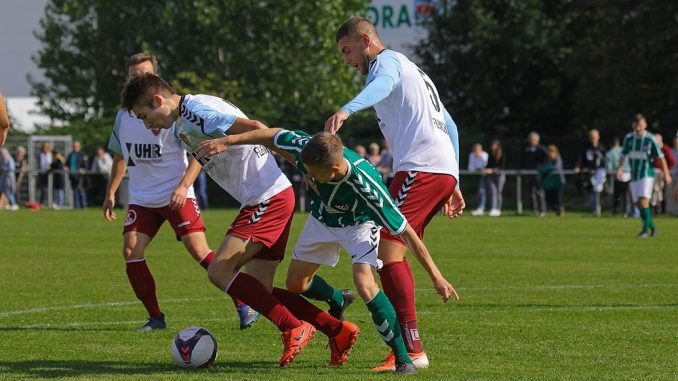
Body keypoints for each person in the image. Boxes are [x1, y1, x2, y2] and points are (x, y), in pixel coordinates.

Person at [122, 73, 362, 368]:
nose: (147, 125)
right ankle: (336, 329)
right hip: (271, 195)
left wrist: (233, 143)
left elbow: (259, 129)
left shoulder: (196, 112)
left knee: (220, 270)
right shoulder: (184, 121)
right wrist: (300, 169)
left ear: (158, 100)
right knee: (261, 288)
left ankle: (293, 327)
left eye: (145, 116)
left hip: (266, 198)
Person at [196, 128, 459, 375]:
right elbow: (274, 134)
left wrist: (437, 277)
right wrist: (228, 141)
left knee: (365, 284)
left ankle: (402, 359)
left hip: (360, 225)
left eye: (313, 174)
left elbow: (408, 233)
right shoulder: (306, 149)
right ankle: (337, 298)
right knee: (295, 284)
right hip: (322, 219)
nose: (308, 177)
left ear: (334, 169)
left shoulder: (367, 187)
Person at [324, 17, 464, 370]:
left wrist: (346, 109)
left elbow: (382, 84)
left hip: (420, 168)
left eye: (347, 50)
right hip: (439, 169)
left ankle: (411, 351)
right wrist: (455, 180)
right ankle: (408, 347)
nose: (346, 60)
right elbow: (451, 125)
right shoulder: (415, 71)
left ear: (366, 40)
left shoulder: (386, 64)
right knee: (394, 252)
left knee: (387, 251)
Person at [103, 53, 257, 332]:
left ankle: (243, 304)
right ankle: (156, 318)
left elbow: (198, 151)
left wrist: (184, 186)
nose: (138, 80)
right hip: (142, 198)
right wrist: (111, 192)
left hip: (176, 194)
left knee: (200, 252)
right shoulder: (123, 118)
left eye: (143, 75)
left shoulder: (171, 115)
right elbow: (119, 155)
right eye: (133, 75)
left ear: (154, 79)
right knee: (130, 250)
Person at [616, 114, 672, 238]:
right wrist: (619, 169)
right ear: (633, 125)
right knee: (638, 204)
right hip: (634, 174)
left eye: (640, 124)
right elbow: (623, 154)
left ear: (645, 125)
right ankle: (652, 228)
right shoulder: (629, 138)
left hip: (647, 174)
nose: (638, 127)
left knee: (643, 200)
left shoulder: (650, 139)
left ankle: (645, 231)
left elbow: (661, 157)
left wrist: (667, 173)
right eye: (636, 124)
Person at [574, 129, 607, 217]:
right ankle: (595, 208)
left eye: (595, 137)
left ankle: (598, 208)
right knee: (589, 190)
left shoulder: (602, 148)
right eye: (592, 137)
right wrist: (578, 167)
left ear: (598, 137)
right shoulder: (585, 148)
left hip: (600, 173)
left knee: (598, 190)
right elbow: (580, 159)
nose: (593, 139)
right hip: (588, 172)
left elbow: (605, 161)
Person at [522, 131, 547, 216]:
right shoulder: (527, 148)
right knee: (530, 192)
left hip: (538, 173)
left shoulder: (542, 149)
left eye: (533, 140)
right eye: (530, 140)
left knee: (539, 192)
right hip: (529, 172)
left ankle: (542, 210)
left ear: (537, 140)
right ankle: (533, 209)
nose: (531, 141)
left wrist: (541, 168)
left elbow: (546, 160)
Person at [606, 137, 632, 217]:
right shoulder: (625, 151)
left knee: (617, 195)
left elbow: (609, 167)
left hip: (617, 174)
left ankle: (615, 211)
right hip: (628, 174)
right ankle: (625, 212)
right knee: (625, 195)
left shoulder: (610, 153)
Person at [651, 134, 675, 214]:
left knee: (660, 191)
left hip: (661, 173)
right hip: (652, 173)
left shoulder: (665, 149)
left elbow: (671, 162)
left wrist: (665, 171)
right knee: (654, 191)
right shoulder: (652, 148)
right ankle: (655, 209)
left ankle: (662, 210)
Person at [539, 145, 565, 216]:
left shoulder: (558, 159)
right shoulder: (546, 159)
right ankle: (558, 210)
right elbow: (543, 168)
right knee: (549, 199)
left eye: (552, 152)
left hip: (559, 182)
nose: (550, 153)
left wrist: (547, 169)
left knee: (558, 199)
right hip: (549, 183)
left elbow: (555, 168)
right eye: (549, 151)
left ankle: (560, 212)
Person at [484, 139, 506, 216]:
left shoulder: (502, 154)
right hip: (491, 176)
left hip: (499, 176)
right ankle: (493, 208)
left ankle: (498, 209)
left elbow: (502, 166)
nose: (492, 146)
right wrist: (485, 169)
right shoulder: (490, 154)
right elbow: (488, 165)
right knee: (493, 192)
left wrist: (492, 170)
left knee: (498, 192)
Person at [65, 141, 89, 209]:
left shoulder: (82, 154)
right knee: (74, 191)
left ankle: (84, 205)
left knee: (81, 190)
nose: (74, 147)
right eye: (74, 146)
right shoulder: (70, 155)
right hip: (72, 175)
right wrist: (66, 167)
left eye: (76, 146)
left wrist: (83, 170)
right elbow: (67, 164)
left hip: (80, 176)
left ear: (79, 147)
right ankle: (76, 206)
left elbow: (86, 165)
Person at [468, 143, 488, 216]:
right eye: (475, 150)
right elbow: (470, 169)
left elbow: (485, 168)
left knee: (484, 191)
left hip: (488, 176)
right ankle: (480, 208)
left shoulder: (485, 155)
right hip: (476, 177)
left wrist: (480, 169)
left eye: (478, 150)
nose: (476, 152)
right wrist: (479, 169)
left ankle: (483, 208)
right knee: (480, 191)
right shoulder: (471, 155)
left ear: (481, 150)